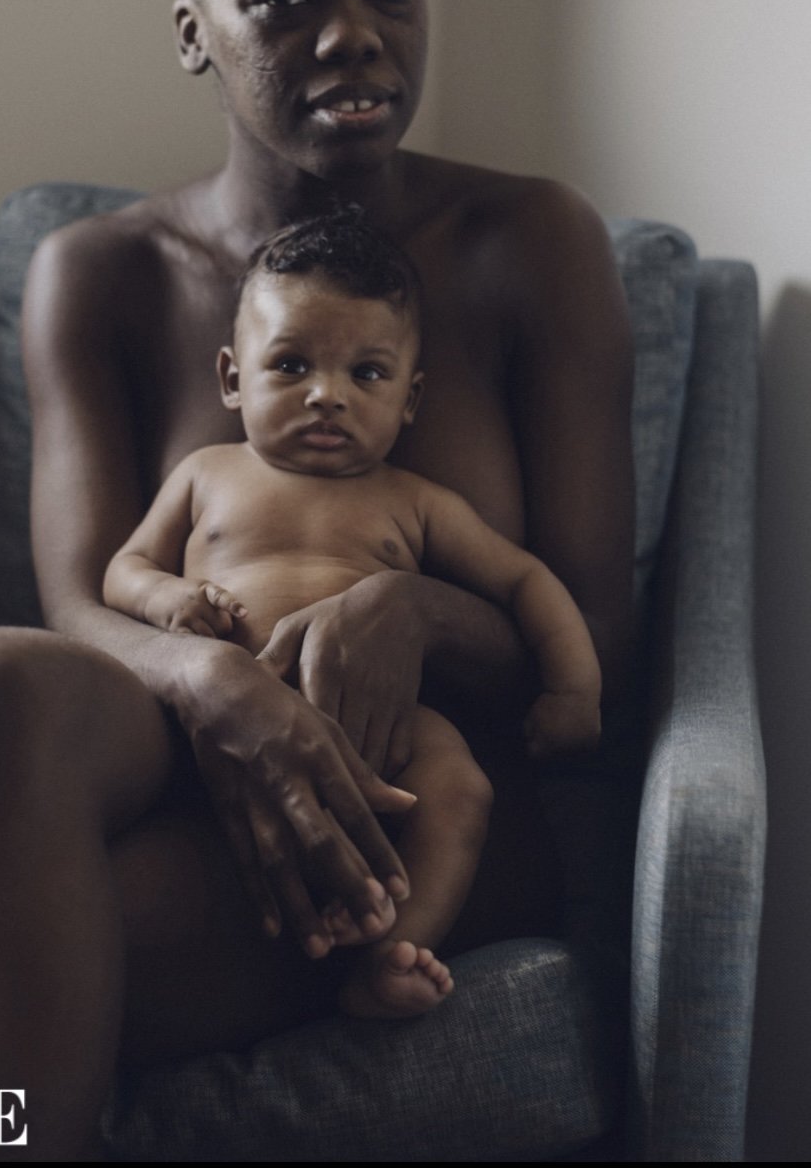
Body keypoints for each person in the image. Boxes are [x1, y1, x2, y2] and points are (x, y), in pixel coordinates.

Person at [0, 0, 634, 1160]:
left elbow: (592, 645)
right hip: (174, 766)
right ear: (193, 31)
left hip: (431, 804)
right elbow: (80, 607)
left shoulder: (528, 246)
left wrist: (408, 611)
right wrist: (220, 691)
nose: (354, 34)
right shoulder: (99, 277)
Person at [103, 209, 603, 1019]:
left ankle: (395, 948)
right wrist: (168, 599)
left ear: (410, 400)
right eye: (292, 365)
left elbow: (523, 582)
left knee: (458, 787)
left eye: (366, 375)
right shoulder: (205, 474)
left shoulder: (414, 502)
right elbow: (122, 570)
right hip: (219, 717)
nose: (326, 396)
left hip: (379, 724)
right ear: (233, 379)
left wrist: (573, 691)